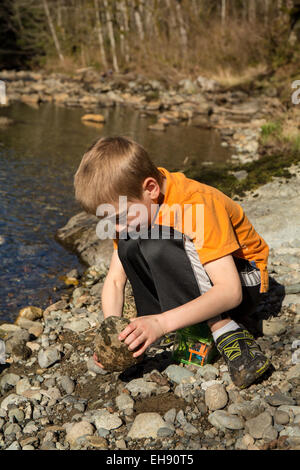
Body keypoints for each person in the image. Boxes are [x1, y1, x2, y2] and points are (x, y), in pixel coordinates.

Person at [74, 135, 271, 389]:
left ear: (151, 189)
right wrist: (114, 335)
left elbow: (230, 291)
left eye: (120, 218)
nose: (116, 227)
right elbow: (114, 280)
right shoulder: (130, 207)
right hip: (197, 277)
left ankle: (225, 329)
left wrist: (161, 323)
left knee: (157, 244)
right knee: (130, 244)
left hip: (243, 281)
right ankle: (165, 325)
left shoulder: (195, 204)